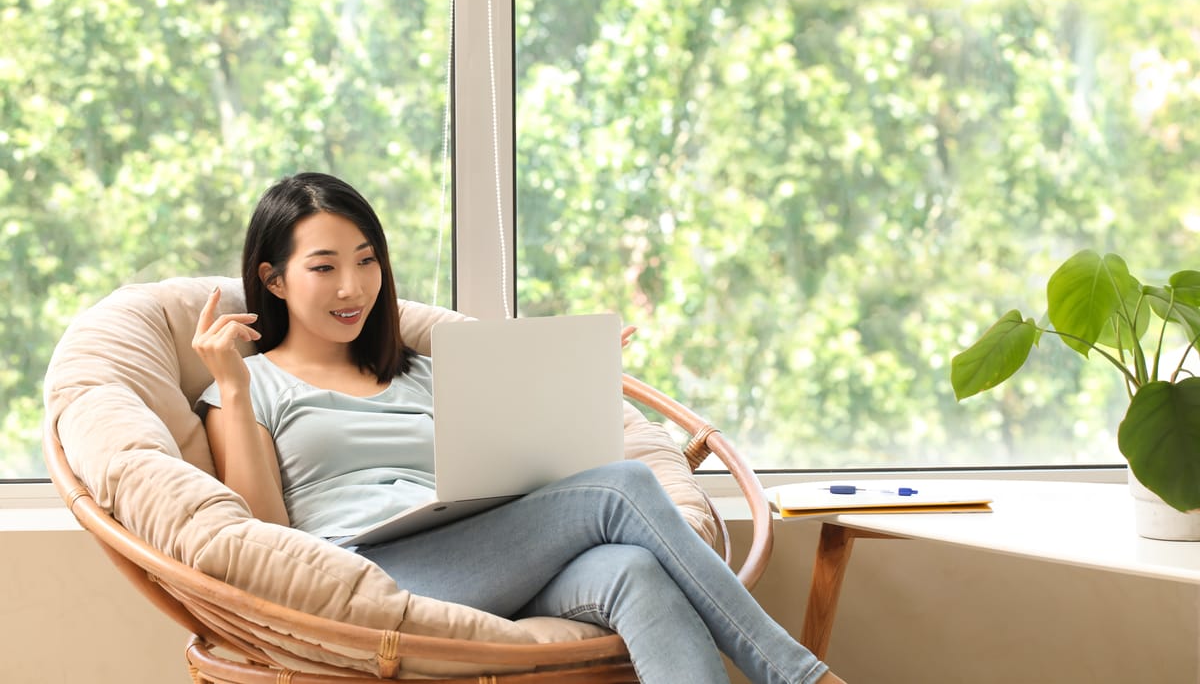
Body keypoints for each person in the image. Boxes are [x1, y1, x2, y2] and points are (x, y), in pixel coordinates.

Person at [193, 172, 847, 684]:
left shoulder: (426, 372)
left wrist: (576, 387)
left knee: (633, 572)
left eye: (367, 261)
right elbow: (262, 538)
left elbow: (525, 470)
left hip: (486, 553)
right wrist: (233, 384)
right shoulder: (249, 389)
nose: (353, 286)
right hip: (369, 575)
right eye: (324, 266)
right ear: (272, 279)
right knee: (622, 487)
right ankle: (796, 674)